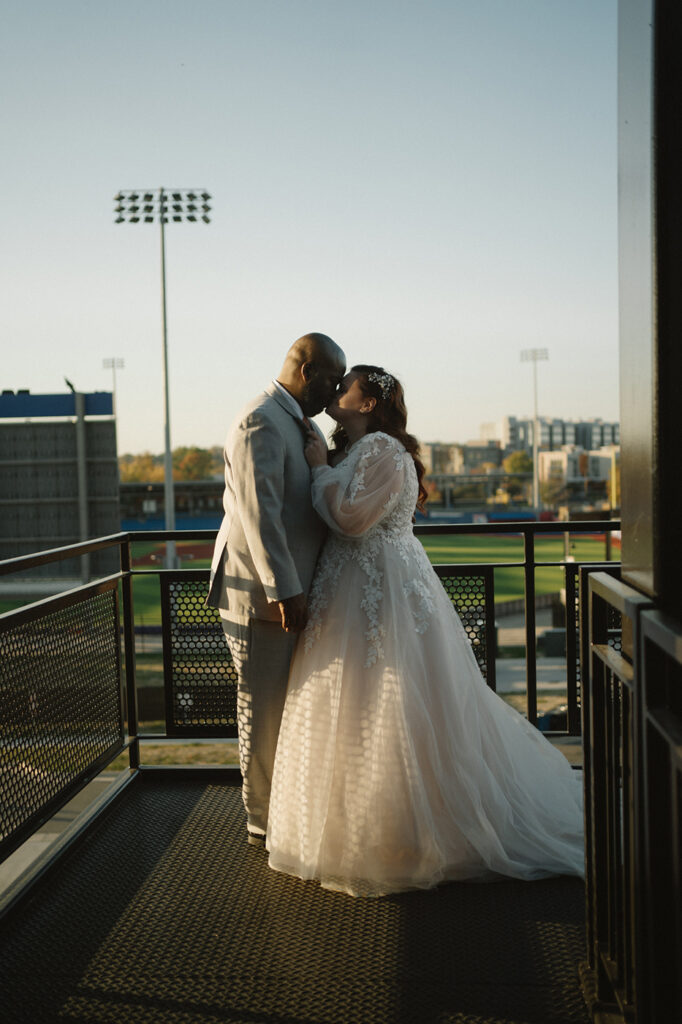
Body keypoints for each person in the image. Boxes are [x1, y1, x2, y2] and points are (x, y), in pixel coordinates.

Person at [266, 365, 584, 896]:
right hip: (357, 585)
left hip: (379, 588)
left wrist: (320, 470)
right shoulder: (365, 451)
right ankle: (375, 825)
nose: (335, 391)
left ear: (367, 404)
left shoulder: (382, 451)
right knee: (364, 704)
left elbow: (350, 520)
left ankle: (410, 831)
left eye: (345, 386)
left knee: (389, 701)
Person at [206, 333, 346, 845]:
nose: (334, 397)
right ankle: (261, 824)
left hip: (289, 594)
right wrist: (285, 591)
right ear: (308, 372)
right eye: (332, 380)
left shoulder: (296, 423)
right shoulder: (259, 420)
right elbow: (259, 514)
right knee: (262, 712)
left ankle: (284, 812)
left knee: (284, 710)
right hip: (263, 597)